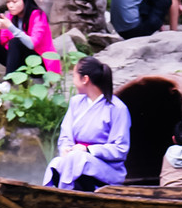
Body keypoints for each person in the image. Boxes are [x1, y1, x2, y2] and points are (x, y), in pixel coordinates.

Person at [44, 57, 131, 191]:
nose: (72, 81)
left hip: (106, 168)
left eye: (74, 76)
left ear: (85, 79)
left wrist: (88, 150)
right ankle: (52, 193)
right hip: (74, 159)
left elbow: (120, 149)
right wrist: (66, 149)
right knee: (56, 163)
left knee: (77, 158)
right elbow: (65, 136)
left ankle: (66, 193)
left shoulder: (117, 108)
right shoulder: (75, 102)